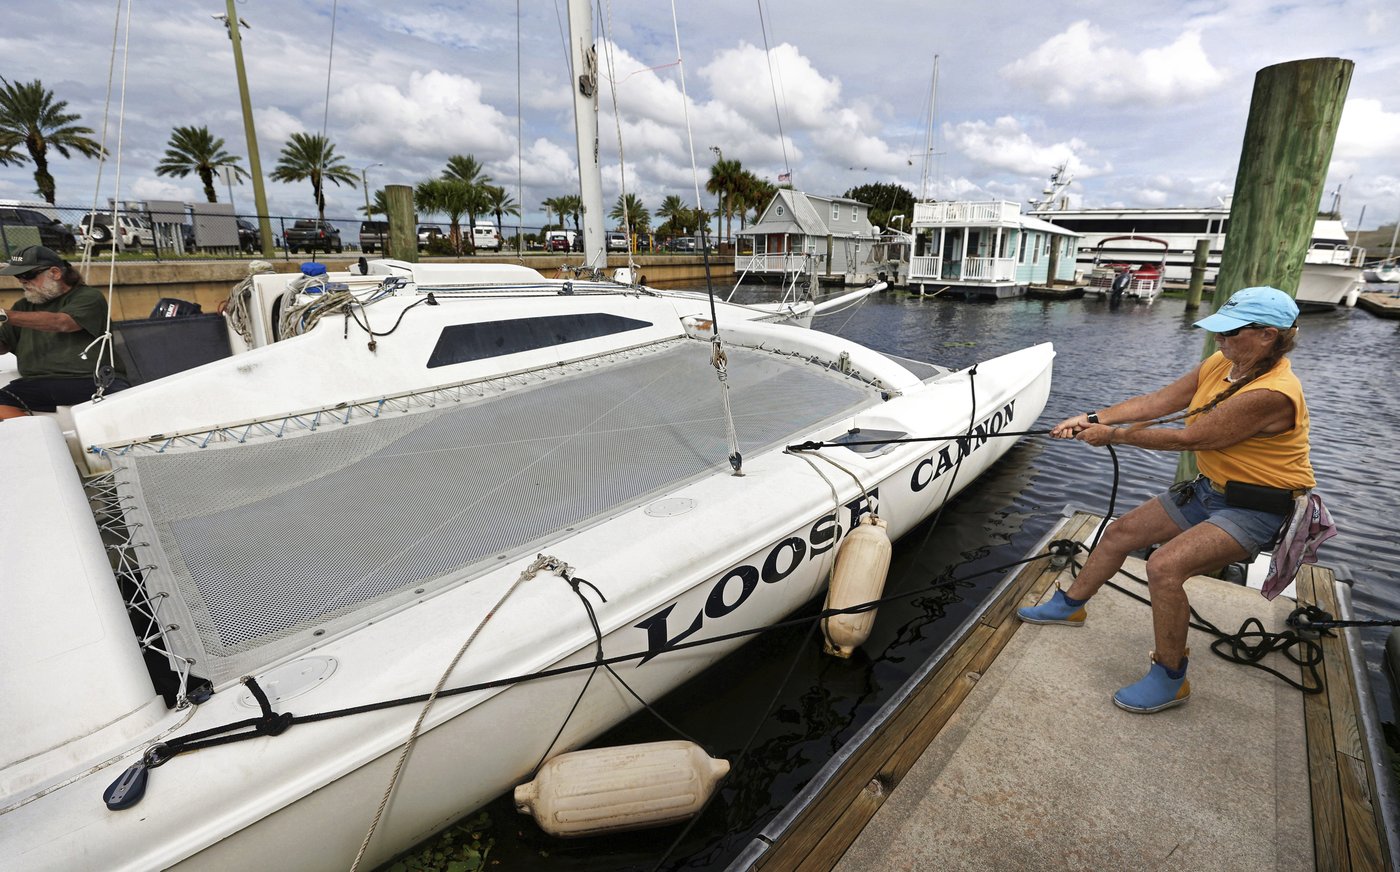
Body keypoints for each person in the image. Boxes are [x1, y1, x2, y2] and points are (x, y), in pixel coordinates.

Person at [1018, 286, 1314, 714]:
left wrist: (1113, 436)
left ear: (1268, 335)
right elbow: (1159, 401)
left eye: (1230, 332)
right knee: (1120, 533)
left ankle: (1171, 677)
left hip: (1257, 506)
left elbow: (1190, 439)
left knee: (1164, 567)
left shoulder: (1271, 394)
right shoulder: (1223, 363)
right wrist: (1093, 417)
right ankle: (1069, 607)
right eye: (1219, 330)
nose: (1219, 339)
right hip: (1211, 489)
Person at [0, 245, 128, 419]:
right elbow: (3, 345)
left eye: (28, 275)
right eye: (18, 276)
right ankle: (42, 434)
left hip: (90, 380)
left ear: (55, 273)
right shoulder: (22, 306)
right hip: (37, 384)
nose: (22, 281)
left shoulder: (89, 297)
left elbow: (63, 323)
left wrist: (4, 315)